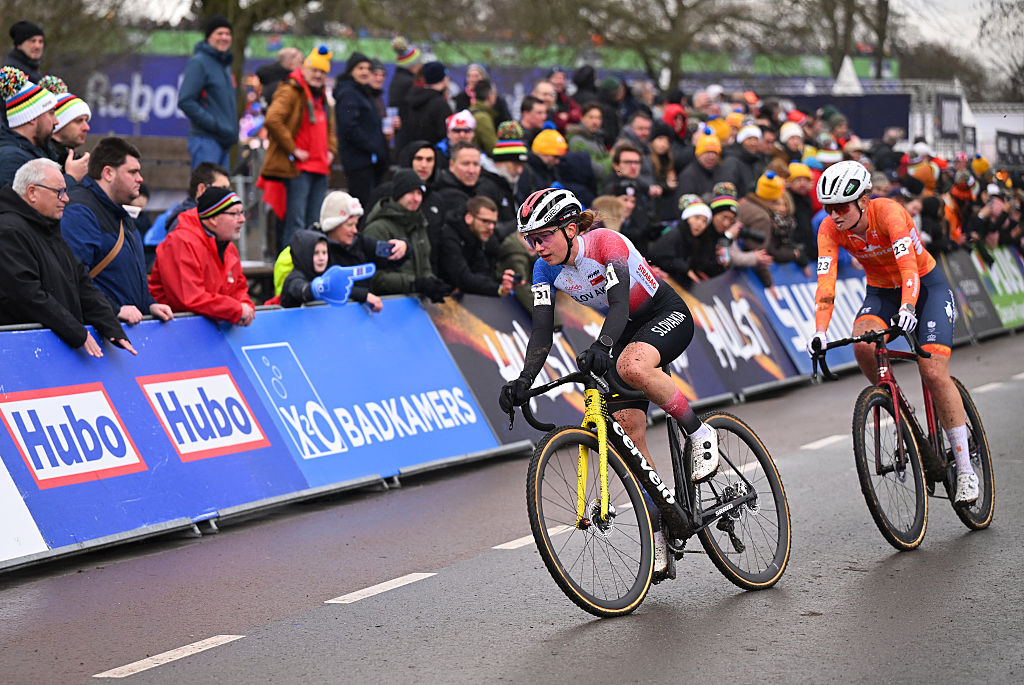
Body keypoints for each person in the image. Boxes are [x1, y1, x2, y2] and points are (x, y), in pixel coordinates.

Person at [498, 187, 717, 582]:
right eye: (530, 239)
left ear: (568, 229)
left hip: (664, 313)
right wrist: (523, 380)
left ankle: (700, 432)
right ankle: (663, 528)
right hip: (625, 329)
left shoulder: (605, 243)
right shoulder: (544, 270)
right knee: (628, 434)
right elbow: (542, 333)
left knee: (631, 366)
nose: (536, 247)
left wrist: (603, 345)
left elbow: (618, 305)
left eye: (542, 237)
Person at [807, 161, 979, 504]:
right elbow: (826, 282)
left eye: (841, 206)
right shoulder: (829, 228)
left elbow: (909, 267)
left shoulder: (889, 213)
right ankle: (895, 403)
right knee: (863, 346)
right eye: (828, 207)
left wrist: (909, 307)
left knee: (932, 370)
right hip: (881, 293)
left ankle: (965, 470)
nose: (834, 215)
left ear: (862, 200)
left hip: (925, 287)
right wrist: (820, 330)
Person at [0, 158, 135, 357]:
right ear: (32, 192)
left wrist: (110, 326)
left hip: (51, 350)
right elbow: (26, 295)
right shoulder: (8, 230)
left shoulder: (47, 228)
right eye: (59, 192)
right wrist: (77, 332)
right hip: (23, 355)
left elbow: (81, 281)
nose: (66, 199)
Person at [61, 137, 173, 325]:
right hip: (98, 335)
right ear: (108, 173)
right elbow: (73, 279)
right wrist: (115, 309)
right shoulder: (79, 211)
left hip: (119, 330)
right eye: (133, 172)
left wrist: (149, 304)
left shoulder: (121, 214)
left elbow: (126, 278)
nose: (140, 179)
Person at [263, 45, 338, 247]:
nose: (318, 75)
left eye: (322, 72)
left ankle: (309, 270)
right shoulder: (291, 89)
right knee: (295, 225)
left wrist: (331, 150)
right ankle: (291, 272)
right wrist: (293, 149)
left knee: (314, 225)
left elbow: (330, 126)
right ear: (305, 69)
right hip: (299, 169)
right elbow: (273, 119)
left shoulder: (321, 95)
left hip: (320, 168)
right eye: (314, 70)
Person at [149, 187, 255, 325]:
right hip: (171, 331)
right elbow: (189, 298)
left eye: (242, 212)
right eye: (234, 214)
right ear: (213, 219)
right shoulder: (181, 242)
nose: (242, 219)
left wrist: (246, 308)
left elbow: (239, 288)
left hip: (207, 329)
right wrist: (236, 310)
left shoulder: (229, 247)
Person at [363, 168, 452, 302]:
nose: (416, 199)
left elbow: (425, 264)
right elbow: (375, 277)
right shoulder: (378, 229)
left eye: (419, 193)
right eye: (411, 193)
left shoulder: (420, 224)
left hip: (417, 304)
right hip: (389, 305)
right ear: (399, 194)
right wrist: (413, 283)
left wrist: (431, 283)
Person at [0, 67, 81, 186]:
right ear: (32, 118)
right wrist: (72, 178)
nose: (56, 121)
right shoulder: (11, 159)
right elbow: (27, 203)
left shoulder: (39, 150)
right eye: (51, 113)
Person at [177, 15, 237, 169]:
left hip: (224, 141)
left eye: (228, 34)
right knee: (205, 189)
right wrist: (215, 125)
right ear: (209, 37)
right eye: (219, 33)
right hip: (206, 140)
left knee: (221, 191)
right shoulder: (199, 62)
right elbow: (186, 100)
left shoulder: (225, 66)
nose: (224, 37)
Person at [437, 195, 515, 296]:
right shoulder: (448, 236)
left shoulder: (474, 238)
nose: (491, 227)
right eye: (485, 221)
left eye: (493, 223)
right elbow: (462, 278)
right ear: (469, 218)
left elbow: (482, 273)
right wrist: (498, 289)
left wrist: (503, 282)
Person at [36, 76, 91, 178]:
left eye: (86, 121)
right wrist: (72, 177)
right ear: (58, 123)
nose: (86, 127)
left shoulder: (69, 157)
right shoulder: (41, 160)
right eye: (79, 121)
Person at [396, 61, 450, 149]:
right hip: (432, 155)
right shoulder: (440, 104)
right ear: (444, 78)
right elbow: (445, 134)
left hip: (413, 153)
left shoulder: (411, 98)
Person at [255, 46, 303, 113]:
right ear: (290, 64)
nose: (303, 67)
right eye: (300, 62)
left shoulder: (269, 78)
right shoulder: (285, 85)